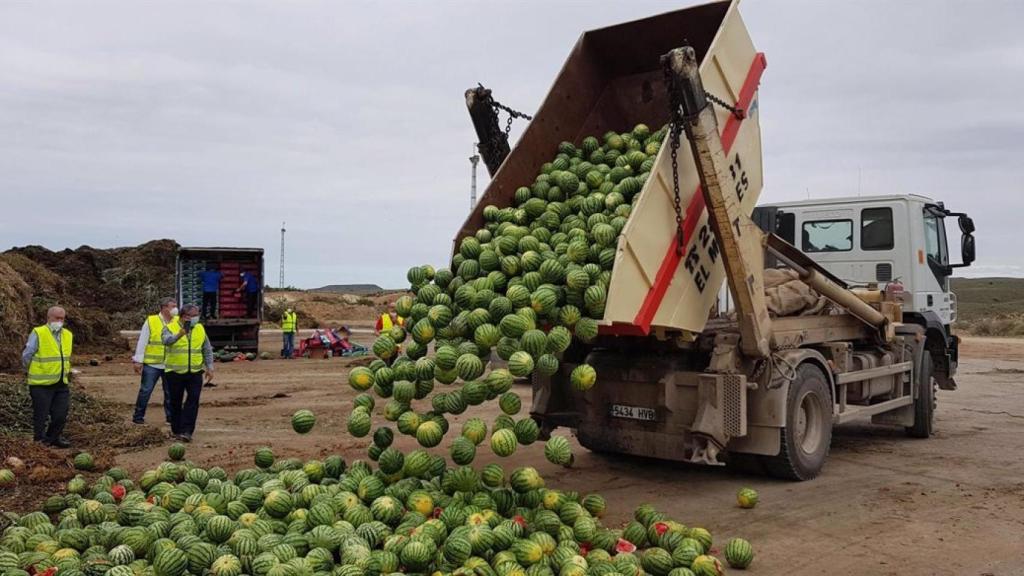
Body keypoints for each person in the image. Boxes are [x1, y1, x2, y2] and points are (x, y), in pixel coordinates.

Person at [21, 306, 73, 448]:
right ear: (49, 318)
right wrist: (29, 370)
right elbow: (27, 355)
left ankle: (53, 438)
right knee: (41, 415)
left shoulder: (67, 335)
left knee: (60, 415)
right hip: (40, 383)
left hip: (61, 382)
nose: (60, 321)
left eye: (62, 318)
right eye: (57, 318)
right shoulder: (39, 332)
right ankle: (39, 441)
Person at [161, 304, 213, 442]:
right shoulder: (170, 327)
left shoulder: (200, 328)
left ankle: (187, 431)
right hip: (175, 372)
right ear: (184, 316)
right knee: (175, 401)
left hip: (195, 372)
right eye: (193, 316)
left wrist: (210, 367)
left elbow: (206, 348)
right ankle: (176, 429)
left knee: (193, 400)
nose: (196, 318)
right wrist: (179, 334)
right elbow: (166, 341)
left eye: (197, 315)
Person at [131, 297, 179, 425]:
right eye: (172, 306)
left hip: (170, 364)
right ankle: (138, 416)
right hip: (152, 364)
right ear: (164, 308)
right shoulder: (151, 321)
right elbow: (143, 341)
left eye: (175, 306)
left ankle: (171, 417)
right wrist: (138, 360)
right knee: (146, 390)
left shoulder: (177, 321)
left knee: (170, 392)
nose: (175, 309)